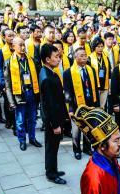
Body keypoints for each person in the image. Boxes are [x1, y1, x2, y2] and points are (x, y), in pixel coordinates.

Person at [4, 37, 42, 151]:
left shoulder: (31, 60)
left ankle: (32, 138)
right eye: (20, 45)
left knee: (32, 118)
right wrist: (11, 101)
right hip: (19, 94)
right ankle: (22, 140)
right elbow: (7, 84)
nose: (22, 47)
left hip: (32, 92)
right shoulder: (9, 62)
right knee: (20, 121)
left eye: (23, 45)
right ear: (13, 46)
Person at [63, 47, 99, 160]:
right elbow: (67, 93)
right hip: (76, 104)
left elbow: (95, 89)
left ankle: (87, 148)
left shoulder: (91, 69)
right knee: (76, 129)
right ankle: (76, 149)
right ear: (75, 57)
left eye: (85, 55)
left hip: (89, 102)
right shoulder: (68, 73)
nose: (84, 57)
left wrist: (96, 105)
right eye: (81, 56)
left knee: (88, 127)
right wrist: (70, 110)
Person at [39, 44, 67, 185]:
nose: (59, 59)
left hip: (56, 117)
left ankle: (53, 169)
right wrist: (55, 125)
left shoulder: (49, 72)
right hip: (52, 120)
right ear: (47, 59)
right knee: (51, 146)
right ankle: (51, 174)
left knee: (54, 146)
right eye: (56, 57)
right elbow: (49, 104)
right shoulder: (47, 78)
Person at [0, 28, 16, 132]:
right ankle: (9, 121)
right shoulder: (1, 52)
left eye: (13, 35)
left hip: (18, 79)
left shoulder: (19, 48)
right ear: (4, 37)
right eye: (9, 36)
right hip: (7, 81)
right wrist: (2, 83)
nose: (12, 38)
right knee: (8, 102)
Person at [89, 37, 111, 110]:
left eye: (102, 46)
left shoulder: (106, 58)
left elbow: (109, 73)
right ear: (94, 47)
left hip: (105, 86)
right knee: (95, 106)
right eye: (98, 47)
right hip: (95, 86)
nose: (100, 48)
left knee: (102, 107)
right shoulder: (90, 58)